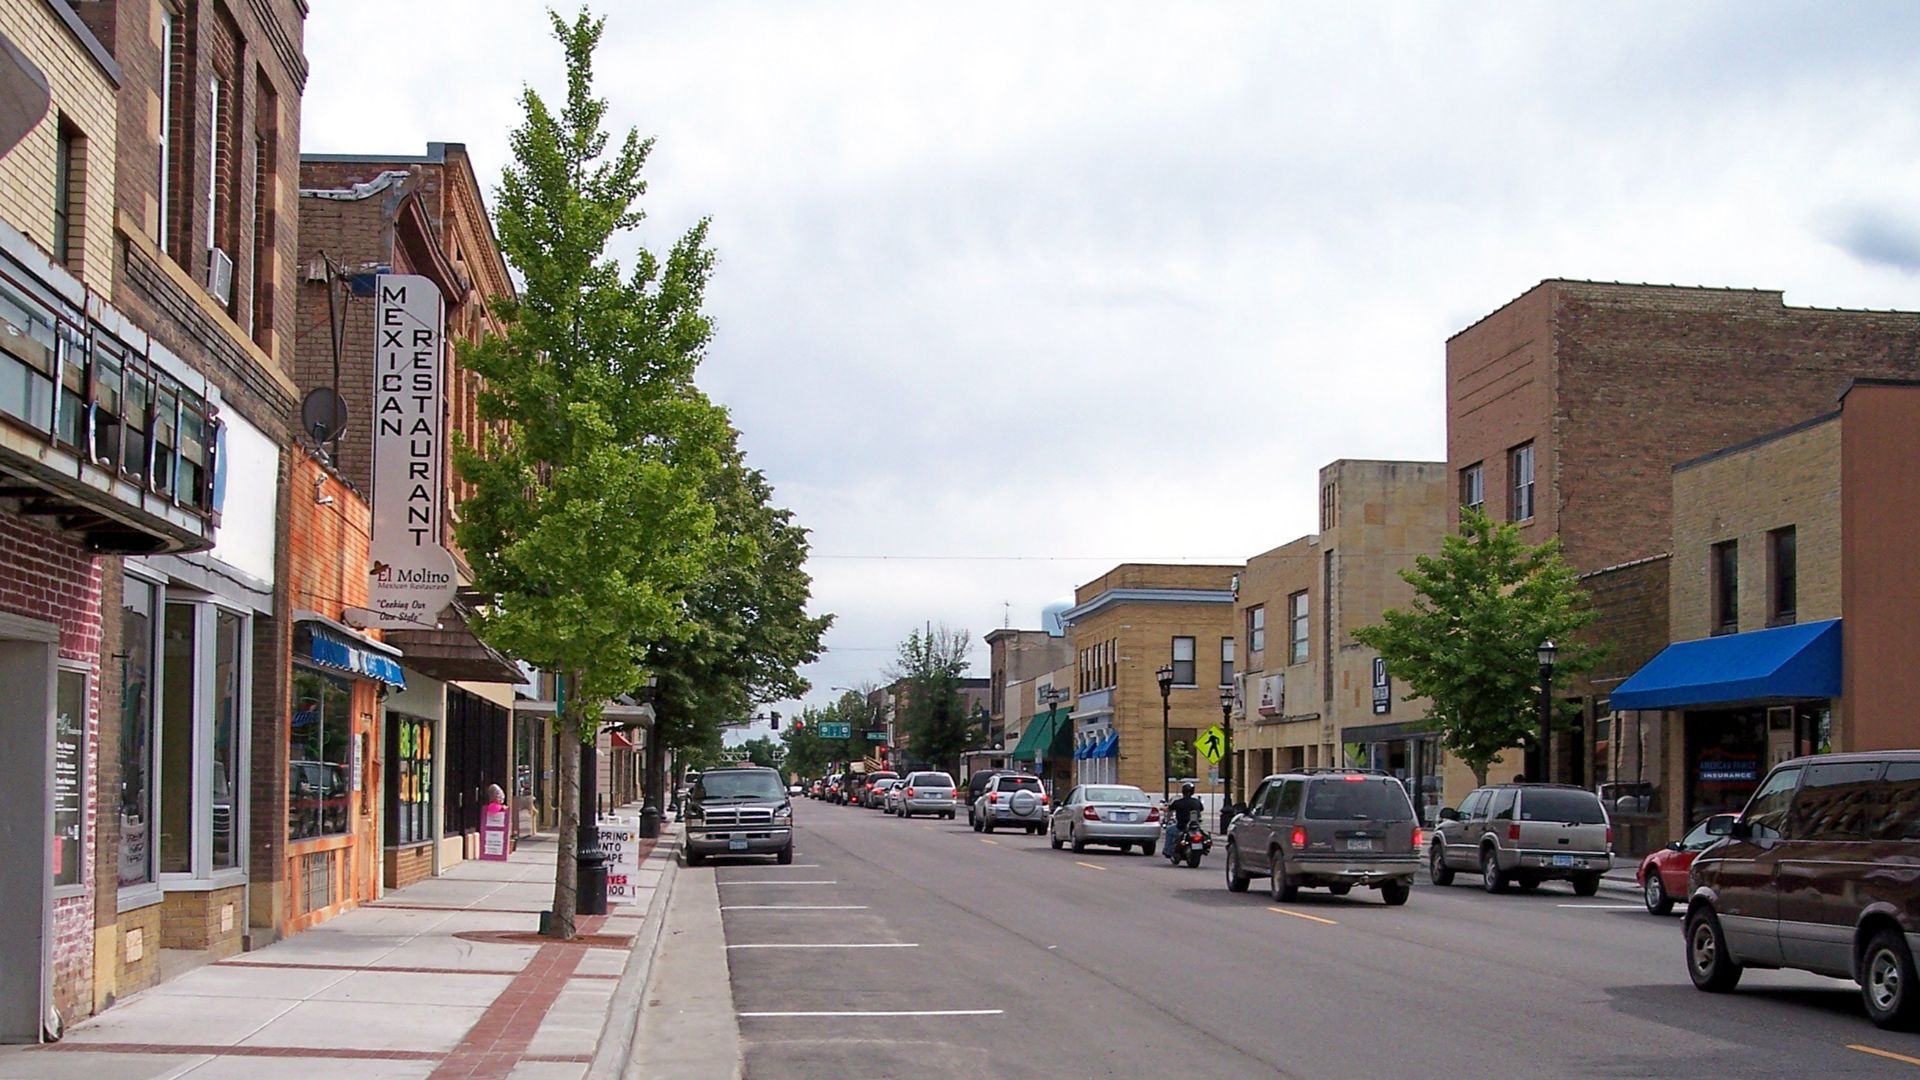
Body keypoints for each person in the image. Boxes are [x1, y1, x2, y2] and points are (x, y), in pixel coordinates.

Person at [1163, 781, 1206, 859]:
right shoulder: (1197, 802)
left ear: (1183, 791)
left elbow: (1168, 809)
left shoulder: (1178, 802)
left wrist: (1163, 808)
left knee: (1169, 830)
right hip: (1195, 827)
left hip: (1181, 827)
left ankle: (1168, 851)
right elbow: (1202, 809)